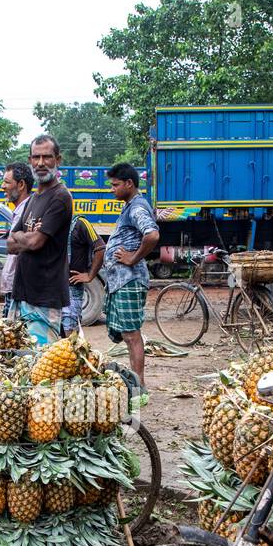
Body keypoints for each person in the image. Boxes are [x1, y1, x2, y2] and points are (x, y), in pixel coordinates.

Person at [6, 135, 73, 345]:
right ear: (30, 160)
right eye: (36, 157)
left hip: (45, 297)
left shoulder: (60, 196)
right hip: (23, 293)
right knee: (20, 362)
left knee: (41, 364)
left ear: (58, 160)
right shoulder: (33, 198)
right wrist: (25, 238)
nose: (41, 163)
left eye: (47, 157)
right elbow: (10, 245)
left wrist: (23, 238)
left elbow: (35, 242)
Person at [102, 162, 159, 388]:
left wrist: (133, 257)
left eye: (115, 185)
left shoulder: (136, 208)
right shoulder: (130, 205)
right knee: (127, 335)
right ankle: (136, 383)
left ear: (129, 184)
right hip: (121, 282)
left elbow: (152, 235)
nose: (112, 189)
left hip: (129, 280)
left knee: (132, 335)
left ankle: (139, 386)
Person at [0, 161, 35, 318]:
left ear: (21, 185)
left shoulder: (28, 211)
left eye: (7, 182)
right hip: (14, 288)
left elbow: (13, 245)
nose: (2, 186)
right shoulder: (19, 211)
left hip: (19, 289)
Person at [62, 214, 104, 335]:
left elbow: (100, 248)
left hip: (72, 288)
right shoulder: (53, 224)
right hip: (54, 288)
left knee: (69, 331)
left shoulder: (80, 223)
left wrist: (90, 275)